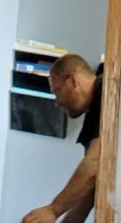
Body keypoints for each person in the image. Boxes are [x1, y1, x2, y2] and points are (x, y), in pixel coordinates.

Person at [21, 53, 103, 223]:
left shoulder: (106, 92)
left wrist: (53, 210)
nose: (57, 102)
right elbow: (89, 191)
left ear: (73, 81)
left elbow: (95, 164)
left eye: (57, 91)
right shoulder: (92, 114)